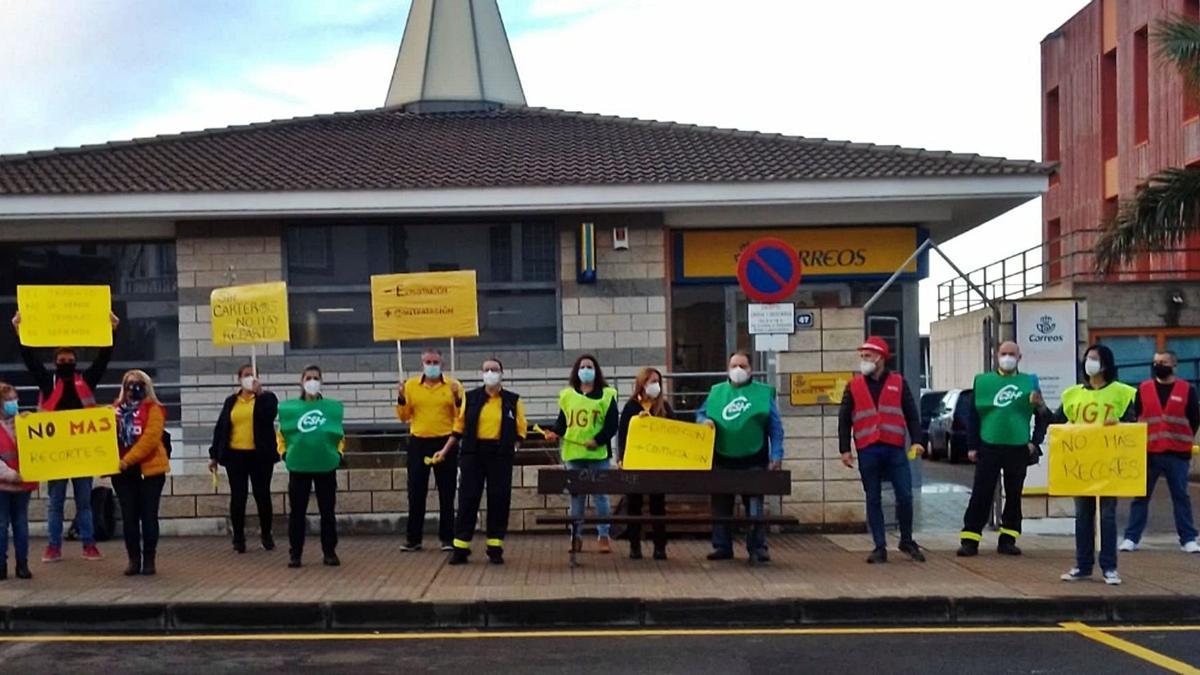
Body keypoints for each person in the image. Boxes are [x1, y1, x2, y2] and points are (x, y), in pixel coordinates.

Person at [12, 310, 118, 564]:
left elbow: (103, 360)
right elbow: (30, 359)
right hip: (55, 456)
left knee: (84, 503)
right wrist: (18, 330)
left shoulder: (86, 382)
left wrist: (112, 330)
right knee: (55, 504)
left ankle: (89, 545)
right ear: (56, 362)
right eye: (62, 358)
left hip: (81, 454)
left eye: (70, 358)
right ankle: (53, 546)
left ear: (75, 361)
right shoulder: (47, 383)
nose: (66, 361)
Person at [838, 337, 927, 565]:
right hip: (868, 448)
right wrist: (844, 449)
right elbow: (844, 418)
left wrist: (917, 440)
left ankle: (906, 540)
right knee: (873, 498)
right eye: (862, 356)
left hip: (894, 447)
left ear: (880, 358)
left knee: (905, 495)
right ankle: (879, 546)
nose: (863, 360)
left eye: (867, 355)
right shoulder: (854, 385)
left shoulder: (898, 382)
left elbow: (911, 415)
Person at [1054, 344, 1137, 585]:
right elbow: (1058, 423)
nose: (1089, 362)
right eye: (1088, 357)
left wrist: (1120, 423)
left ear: (1106, 364)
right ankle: (1083, 565)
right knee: (1083, 516)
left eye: (1095, 358)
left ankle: (1109, 567)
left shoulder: (1123, 393)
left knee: (1108, 516)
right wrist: (1038, 407)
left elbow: (1134, 423)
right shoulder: (1072, 394)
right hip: (1082, 465)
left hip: (1110, 464)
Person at [958, 341, 1048, 557]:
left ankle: (1008, 538)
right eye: (1004, 353)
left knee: (1014, 494)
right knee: (981, 492)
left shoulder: (1030, 383)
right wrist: (971, 446)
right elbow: (972, 416)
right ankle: (970, 539)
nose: (1007, 357)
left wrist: (1034, 442)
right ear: (996, 355)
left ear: (1019, 357)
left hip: (1018, 446)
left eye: (1012, 354)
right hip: (989, 444)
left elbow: (1043, 416)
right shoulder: (984, 382)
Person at [696, 351, 784, 565]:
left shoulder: (763, 394)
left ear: (751, 369)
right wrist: (703, 421)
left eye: (742, 366)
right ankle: (722, 546)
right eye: (734, 365)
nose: (738, 370)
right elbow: (701, 413)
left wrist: (776, 454)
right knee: (720, 506)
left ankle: (757, 547)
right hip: (722, 458)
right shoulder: (716, 392)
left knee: (754, 507)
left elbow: (775, 427)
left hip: (753, 459)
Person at [438, 359, 526, 566]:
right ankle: (460, 548)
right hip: (473, 453)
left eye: (494, 370)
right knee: (468, 499)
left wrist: (514, 446)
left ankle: (495, 547)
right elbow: (459, 426)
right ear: (481, 374)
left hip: (500, 455)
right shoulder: (471, 398)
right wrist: (445, 450)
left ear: (502, 373)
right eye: (486, 370)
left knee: (499, 499)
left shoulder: (513, 400)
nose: (490, 373)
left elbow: (521, 429)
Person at [1121, 350, 1200, 554]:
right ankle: (1131, 538)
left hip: (1177, 452)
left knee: (1181, 496)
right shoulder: (1143, 389)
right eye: (1156, 362)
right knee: (1141, 496)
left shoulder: (1187, 389)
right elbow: (1136, 416)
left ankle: (1188, 538)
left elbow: (1194, 419)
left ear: (1174, 365)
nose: (1158, 365)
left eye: (1163, 362)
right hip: (1148, 452)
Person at [543, 354, 619, 554]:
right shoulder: (567, 396)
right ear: (577, 371)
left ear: (596, 371)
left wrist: (598, 440)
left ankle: (604, 535)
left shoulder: (607, 394)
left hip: (598, 455)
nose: (586, 370)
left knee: (600, 496)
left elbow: (612, 425)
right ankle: (575, 537)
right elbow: (562, 421)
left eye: (590, 366)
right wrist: (554, 432)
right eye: (583, 366)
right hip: (574, 454)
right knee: (576, 497)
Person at [396, 349, 463, 553]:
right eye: (428, 361)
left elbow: (460, 415)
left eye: (435, 361)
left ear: (442, 364)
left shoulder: (453, 385)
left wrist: (456, 397)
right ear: (422, 363)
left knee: (447, 492)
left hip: (445, 442)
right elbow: (403, 417)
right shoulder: (410, 386)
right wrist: (400, 398)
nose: (432, 365)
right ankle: (413, 538)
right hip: (419, 442)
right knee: (416, 492)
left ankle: (447, 538)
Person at [277, 366, 345, 569]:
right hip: (299, 465)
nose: (312, 381)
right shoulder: (290, 410)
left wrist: (339, 453)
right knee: (297, 512)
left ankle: (329, 552)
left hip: (325, 465)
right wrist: (284, 453)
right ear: (301, 381)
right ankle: (295, 553)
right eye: (309, 377)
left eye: (316, 378)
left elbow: (339, 435)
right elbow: (282, 434)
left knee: (327, 512)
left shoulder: (331, 409)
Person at [208, 364, 279, 554]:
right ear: (239, 378)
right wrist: (214, 454)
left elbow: (269, 416)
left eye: (253, 375)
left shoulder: (267, 399)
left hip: (260, 455)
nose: (250, 378)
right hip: (235, 455)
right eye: (246, 375)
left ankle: (266, 534)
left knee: (262, 494)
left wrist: (260, 394)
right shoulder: (231, 401)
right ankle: (238, 537)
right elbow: (221, 428)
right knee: (238, 496)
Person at [111, 369, 170, 576]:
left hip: (149, 471)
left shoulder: (154, 409)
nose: (132, 388)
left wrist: (128, 460)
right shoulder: (113, 411)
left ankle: (149, 560)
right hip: (122, 473)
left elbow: (150, 439)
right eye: (128, 384)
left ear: (146, 387)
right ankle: (133, 560)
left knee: (148, 516)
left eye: (138, 383)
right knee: (129, 517)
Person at [617, 367, 671, 560]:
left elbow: (674, 432)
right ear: (641, 384)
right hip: (636, 463)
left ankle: (660, 547)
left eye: (657, 381)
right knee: (634, 505)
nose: (654, 385)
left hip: (658, 464)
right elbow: (623, 434)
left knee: (658, 506)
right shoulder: (631, 407)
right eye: (650, 381)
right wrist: (621, 458)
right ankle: (634, 546)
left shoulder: (664, 407)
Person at [0, 383, 34, 580]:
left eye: (15, 399)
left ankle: (23, 564)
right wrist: (11, 475)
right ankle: (1, 565)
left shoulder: (24, 423)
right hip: (4, 484)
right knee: (2, 526)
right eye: (9, 400)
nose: (14, 403)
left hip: (22, 485)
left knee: (21, 525)